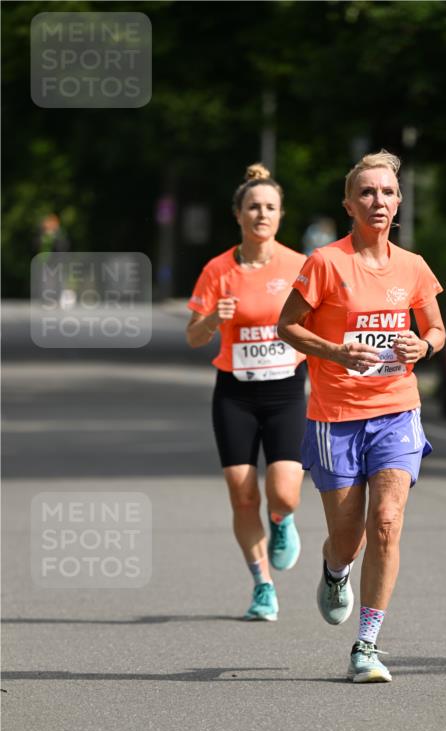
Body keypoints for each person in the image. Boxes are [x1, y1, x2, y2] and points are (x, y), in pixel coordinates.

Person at [278, 150, 446, 682]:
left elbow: (437, 330)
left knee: (388, 523)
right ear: (349, 204)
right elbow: (288, 327)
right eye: (368, 193)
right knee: (347, 535)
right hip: (335, 416)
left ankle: (367, 645)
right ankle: (334, 572)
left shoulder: (413, 266)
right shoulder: (326, 262)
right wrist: (336, 352)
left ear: (399, 203)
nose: (379, 201)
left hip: (397, 408)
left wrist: (423, 345)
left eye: (388, 193)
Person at [186, 164, 307, 622]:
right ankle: (262, 586)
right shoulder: (218, 269)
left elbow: (320, 325)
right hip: (235, 392)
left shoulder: (299, 265)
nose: (262, 214)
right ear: (238, 215)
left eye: (270, 207)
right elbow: (194, 337)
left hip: (286, 391)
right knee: (241, 494)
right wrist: (214, 317)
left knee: (285, 494)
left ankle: (282, 522)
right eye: (253, 206)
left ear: (280, 216)